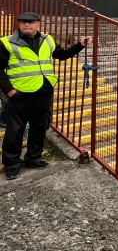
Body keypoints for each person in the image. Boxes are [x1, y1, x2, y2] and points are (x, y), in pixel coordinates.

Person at [0, 12, 92, 180]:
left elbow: (62, 55)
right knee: (14, 131)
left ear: (38, 24)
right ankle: (12, 164)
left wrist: (79, 45)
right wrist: (10, 91)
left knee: (40, 127)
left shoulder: (47, 40)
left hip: (43, 92)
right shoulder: (7, 43)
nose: (26, 25)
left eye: (30, 22)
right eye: (22, 22)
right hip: (20, 94)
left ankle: (34, 159)